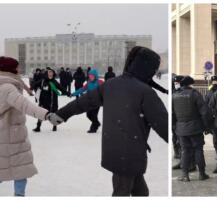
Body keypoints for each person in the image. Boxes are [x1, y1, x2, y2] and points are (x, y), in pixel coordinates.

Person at [47, 46, 168, 196]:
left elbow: (84, 102)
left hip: (116, 148)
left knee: (140, 190)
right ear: (147, 68)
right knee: (123, 191)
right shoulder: (145, 92)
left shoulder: (110, 85)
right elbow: (164, 124)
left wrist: (62, 114)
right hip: (130, 152)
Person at [0, 56, 50, 196]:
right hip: (11, 134)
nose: (19, 69)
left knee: (6, 166)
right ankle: (19, 196)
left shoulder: (7, 82)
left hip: (4, 133)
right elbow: (24, 105)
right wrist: (46, 115)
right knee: (20, 169)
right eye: (16, 67)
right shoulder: (8, 87)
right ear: (10, 69)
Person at [173, 76, 213, 182]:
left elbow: (172, 115)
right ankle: (202, 174)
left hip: (181, 129)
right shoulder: (195, 94)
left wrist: (175, 127)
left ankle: (185, 175)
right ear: (191, 84)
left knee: (185, 151)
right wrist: (207, 127)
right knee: (198, 150)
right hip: (195, 128)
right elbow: (204, 112)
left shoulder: (174, 96)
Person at [71, 68, 104, 133]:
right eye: (90, 75)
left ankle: (93, 129)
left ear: (95, 76)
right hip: (89, 102)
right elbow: (82, 89)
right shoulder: (88, 83)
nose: (90, 77)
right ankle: (97, 123)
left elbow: (105, 89)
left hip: (97, 102)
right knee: (88, 115)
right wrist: (73, 94)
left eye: (92, 76)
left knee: (94, 115)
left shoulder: (100, 82)